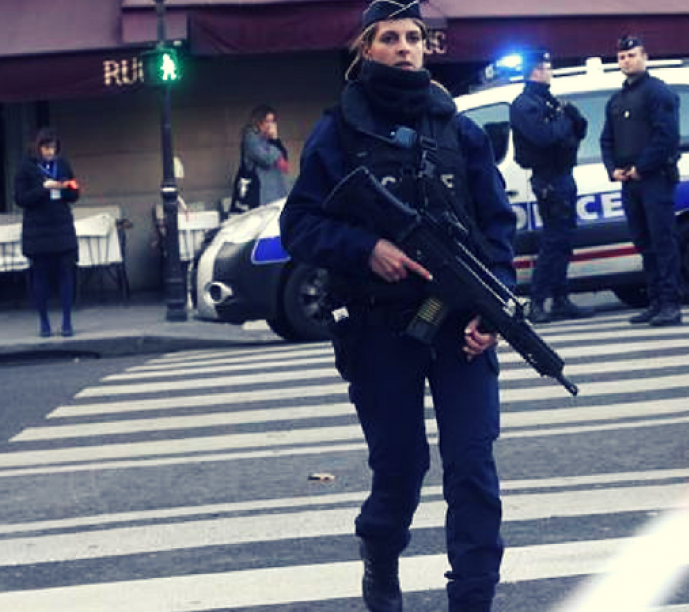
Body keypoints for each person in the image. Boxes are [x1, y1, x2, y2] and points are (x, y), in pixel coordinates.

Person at [278, 2, 516, 610]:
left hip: (458, 324)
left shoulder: (457, 128)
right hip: (381, 328)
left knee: (473, 471)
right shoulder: (339, 130)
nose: (406, 46)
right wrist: (367, 248)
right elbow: (299, 224)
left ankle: (472, 599)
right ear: (366, 49)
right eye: (391, 37)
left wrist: (492, 311)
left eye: (415, 37)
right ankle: (380, 558)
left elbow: (497, 227)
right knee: (402, 470)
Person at [600, 35, 683, 326]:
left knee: (663, 241)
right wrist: (613, 169)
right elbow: (606, 139)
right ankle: (656, 301)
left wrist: (642, 168)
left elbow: (667, 136)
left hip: (655, 179)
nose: (626, 61)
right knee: (643, 242)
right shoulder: (617, 99)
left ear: (644, 57)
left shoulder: (658, 92)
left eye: (631, 55)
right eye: (622, 56)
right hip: (630, 182)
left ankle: (671, 303)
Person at [509, 49, 592, 323]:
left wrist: (569, 119)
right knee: (553, 242)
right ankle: (538, 301)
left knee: (564, 241)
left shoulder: (547, 101)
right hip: (549, 179)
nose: (550, 71)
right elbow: (544, 137)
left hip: (563, 175)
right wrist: (564, 120)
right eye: (547, 67)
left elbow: (578, 129)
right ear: (536, 70)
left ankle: (560, 299)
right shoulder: (525, 104)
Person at [13, 127, 80, 338]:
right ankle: (44, 322)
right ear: (38, 147)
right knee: (40, 275)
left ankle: (67, 321)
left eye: (53, 148)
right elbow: (20, 198)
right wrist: (44, 189)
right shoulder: (26, 168)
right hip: (38, 228)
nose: (50, 152)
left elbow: (74, 191)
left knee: (65, 273)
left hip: (61, 224)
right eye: (46, 148)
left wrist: (69, 188)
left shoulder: (62, 164)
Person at [230, 104, 290, 214]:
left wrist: (275, 139)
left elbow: (284, 159)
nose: (270, 125)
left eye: (272, 121)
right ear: (258, 121)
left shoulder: (269, 139)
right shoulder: (250, 138)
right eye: (267, 121)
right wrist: (276, 151)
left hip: (275, 191)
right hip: (259, 193)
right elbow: (266, 159)